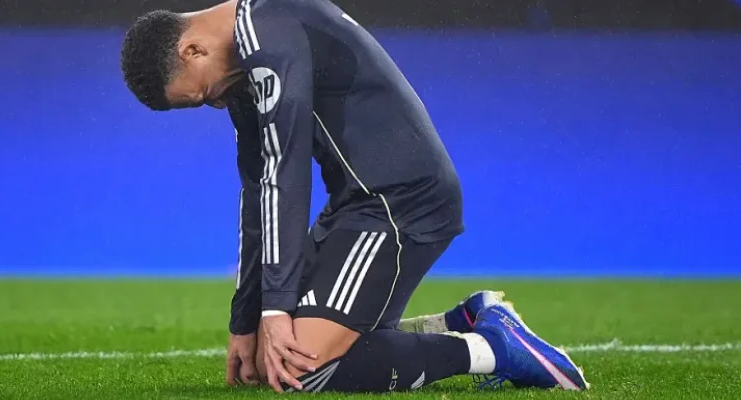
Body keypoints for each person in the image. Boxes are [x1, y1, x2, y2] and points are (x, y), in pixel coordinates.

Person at [120, 0, 589, 393]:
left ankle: (494, 349)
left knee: (301, 368)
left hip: (401, 203)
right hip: (357, 205)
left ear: (193, 49)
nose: (218, 102)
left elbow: (286, 171)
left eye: (204, 94)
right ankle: (461, 321)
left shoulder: (267, 28)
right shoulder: (246, 61)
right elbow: (259, 186)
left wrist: (276, 308)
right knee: (271, 360)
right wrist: (245, 321)